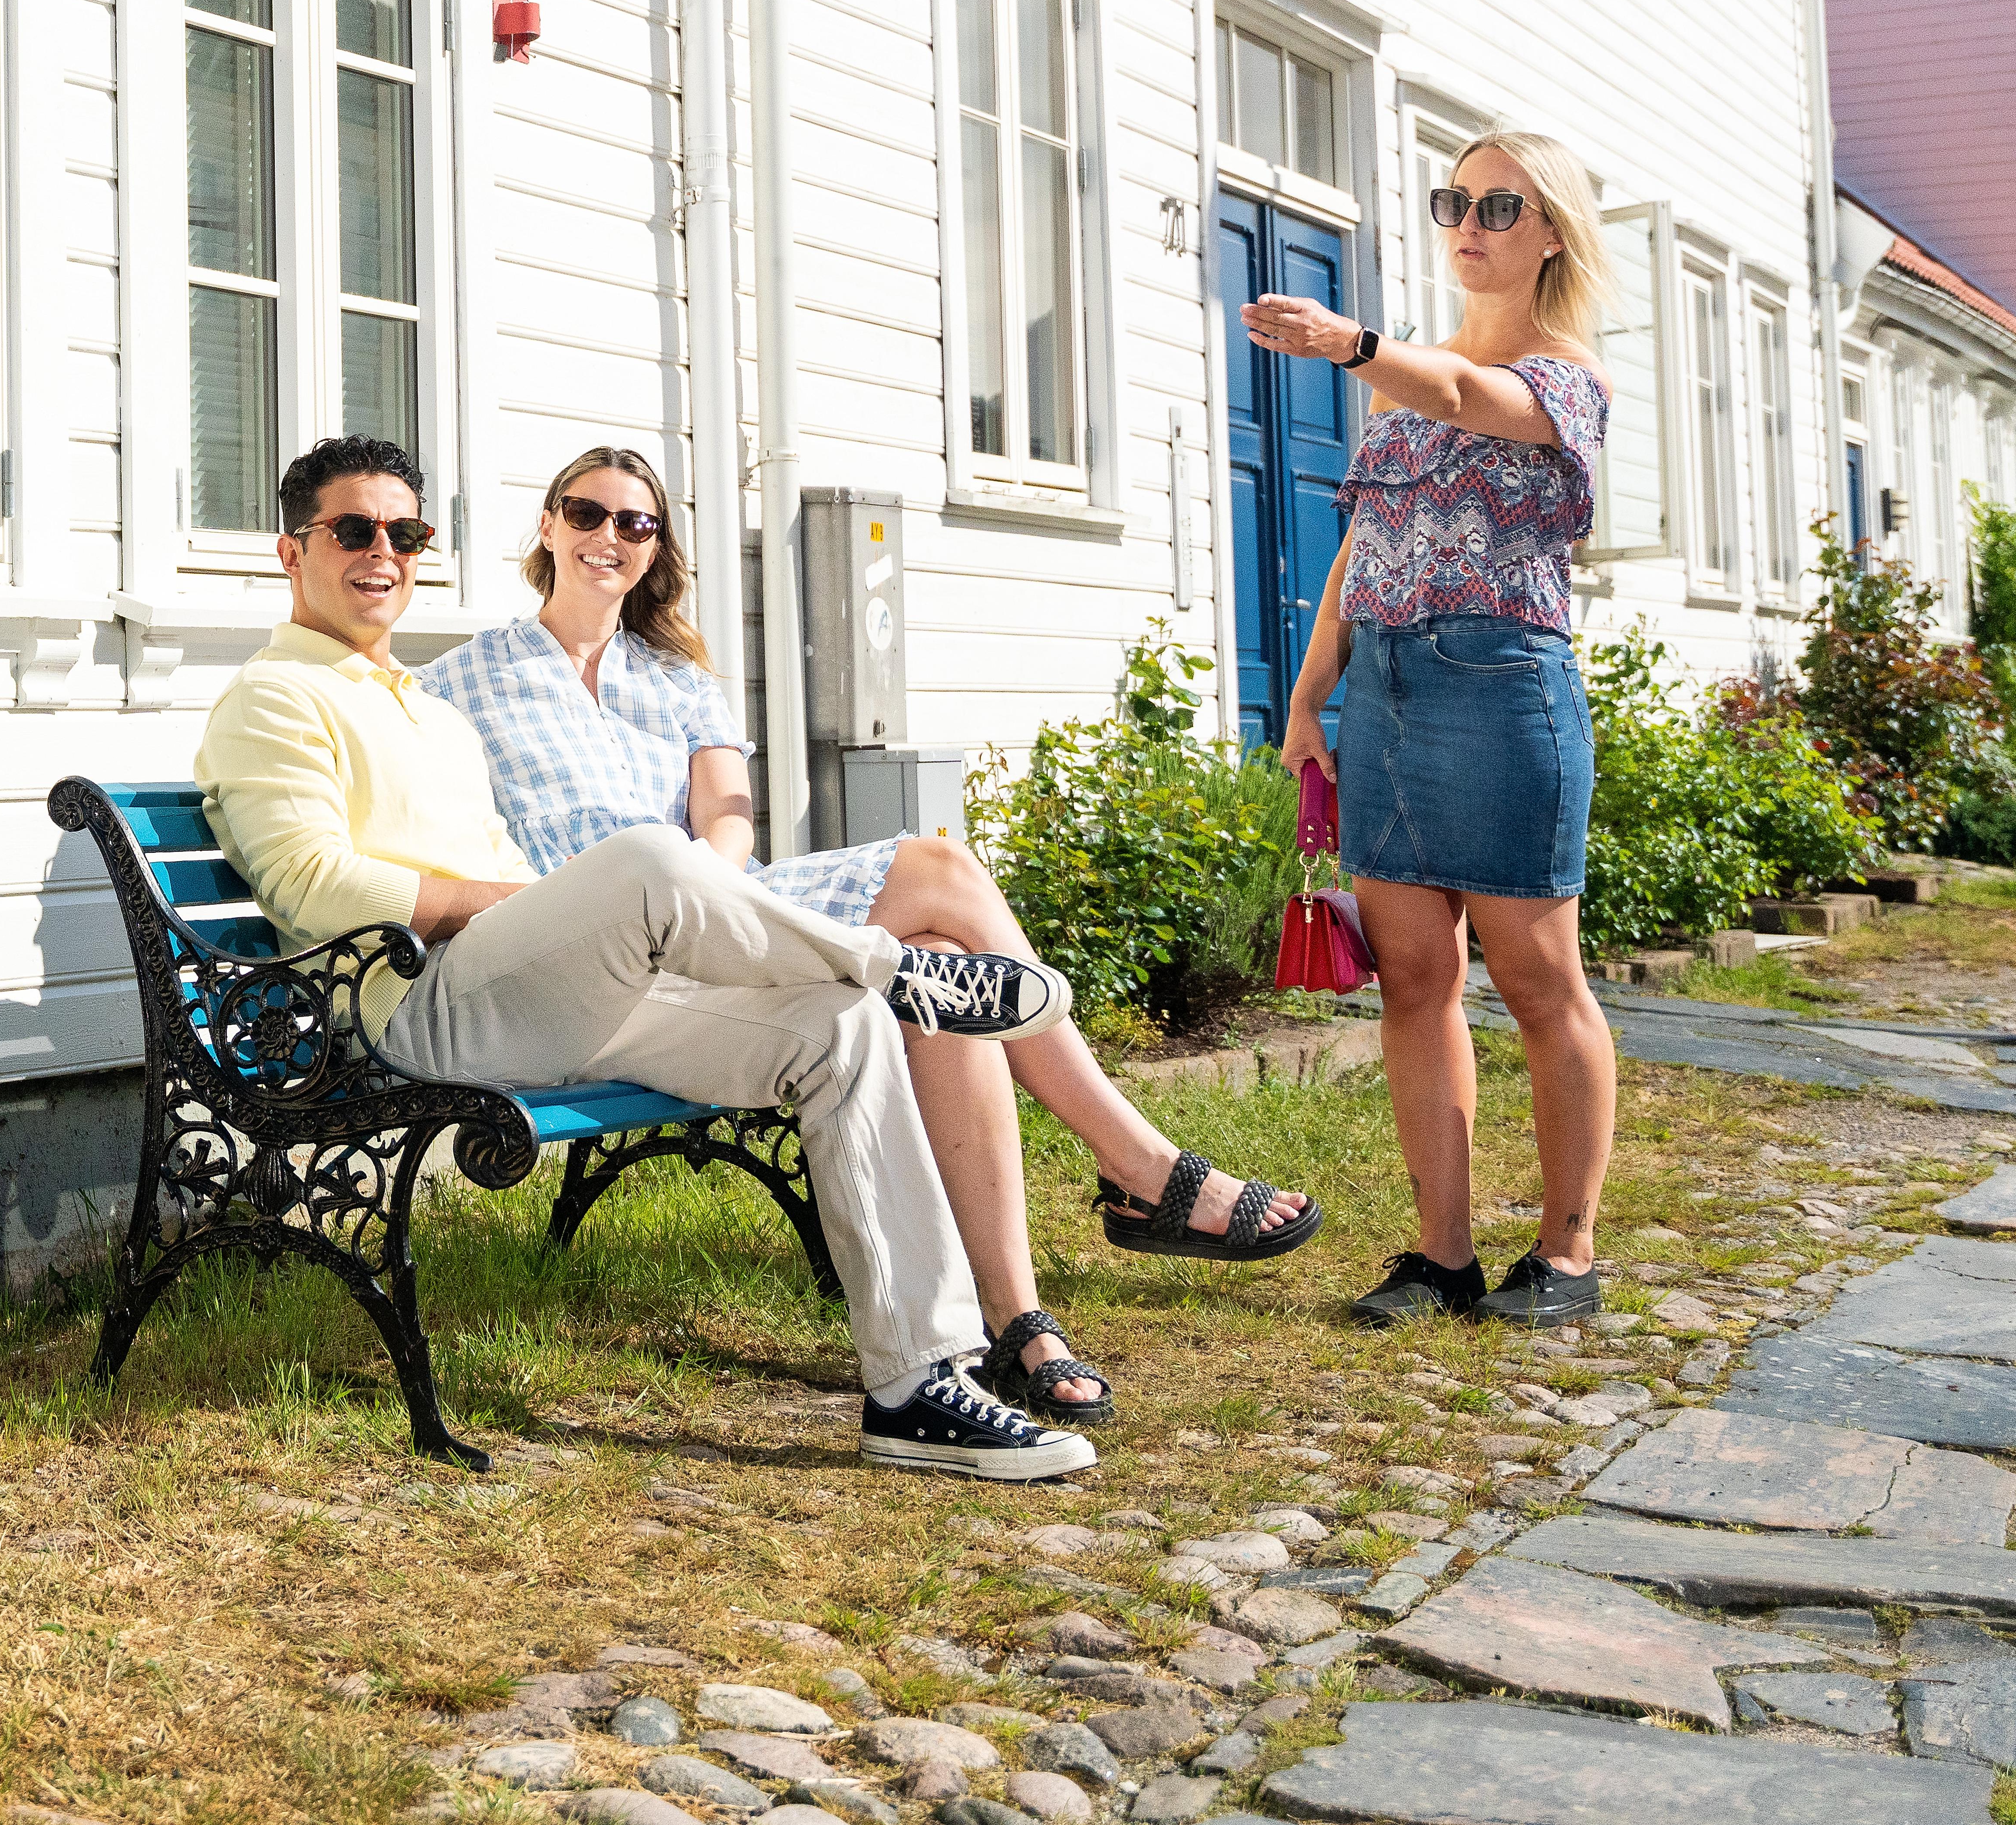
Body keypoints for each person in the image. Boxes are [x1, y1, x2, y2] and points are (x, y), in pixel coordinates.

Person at [194, 433, 1098, 1480]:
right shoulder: (274, 697)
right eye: (352, 530)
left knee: (839, 1029)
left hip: (537, 996)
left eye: (404, 532)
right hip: (414, 1011)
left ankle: (916, 1383)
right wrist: (531, 907)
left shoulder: (420, 702)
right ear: (288, 551)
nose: (382, 552)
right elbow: (311, 886)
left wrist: (555, 920)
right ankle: (896, 966)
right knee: (645, 857)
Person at [422, 445, 1322, 1424]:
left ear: (655, 548)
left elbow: (728, 820)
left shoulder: (676, 679)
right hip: (594, 948)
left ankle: (1016, 1317)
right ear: (548, 525)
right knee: (938, 879)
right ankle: (1137, 1171)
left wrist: (714, 889)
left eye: (633, 524)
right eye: (587, 514)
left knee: (939, 972)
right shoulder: (465, 680)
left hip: (728, 913)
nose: (607, 537)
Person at [1243, 128, 1617, 1332]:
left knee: (1536, 973)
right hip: (1389, 694)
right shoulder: (1406, 384)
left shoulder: (1562, 380)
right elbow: (1359, 551)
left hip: (1503, 691)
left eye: (1498, 205)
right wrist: (1309, 697)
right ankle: (1439, 1254)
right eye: (1452, 199)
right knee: (1412, 977)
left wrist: (1348, 343)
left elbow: (1463, 396)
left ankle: (1565, 1254)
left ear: (1550, 230)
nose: (1468, 221)